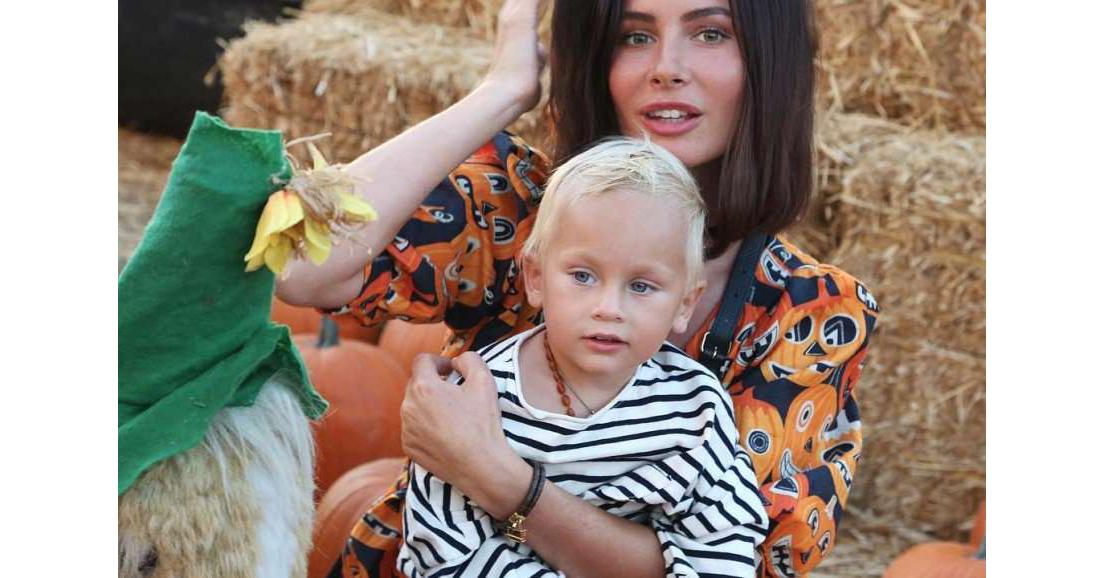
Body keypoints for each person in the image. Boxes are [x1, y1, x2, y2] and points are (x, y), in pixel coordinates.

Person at [278, 1, 879, 576]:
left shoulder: (809, 312)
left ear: (769, 61)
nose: (666, 67)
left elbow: (733, 561)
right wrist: (501, 91)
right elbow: (301, 264)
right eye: (634, 36)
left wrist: (496, 477)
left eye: (711, 33)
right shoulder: (517, 207)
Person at [397, 137, 767, 577]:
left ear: (685, 303)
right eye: (583, 276)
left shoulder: (695, 410)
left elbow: (724, 549)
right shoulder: (480, 398)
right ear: (536, 278)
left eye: (641, 286)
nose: (608, 308)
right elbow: (443, 554)